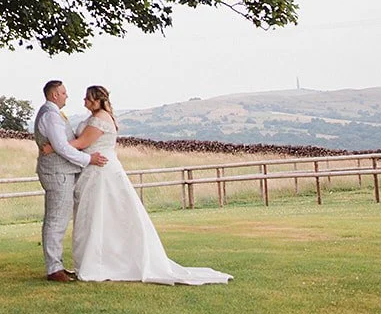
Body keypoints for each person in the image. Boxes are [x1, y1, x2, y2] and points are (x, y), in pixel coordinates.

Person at [44, 85, 232, 284]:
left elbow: (82, 143)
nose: (84, 101)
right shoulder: (96, 118)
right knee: (95, 216)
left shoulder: (99, 119)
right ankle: (96, 261)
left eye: (88, 99)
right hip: (94, 169)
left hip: (101, 170)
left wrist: (54, 148)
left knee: (100, 215)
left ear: (98, 100)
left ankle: (102, 263)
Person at [33, 79, 108, 281]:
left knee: (59, 219)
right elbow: (63, 148)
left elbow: (62, 144)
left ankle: (56, 265)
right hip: (58, 174)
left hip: (61, 173)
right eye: (64, 93)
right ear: (54, 95)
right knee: (56, 220)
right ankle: (53, 269)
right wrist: (88, 159)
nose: (67, 96)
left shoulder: (53, 114)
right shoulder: (51, 116)